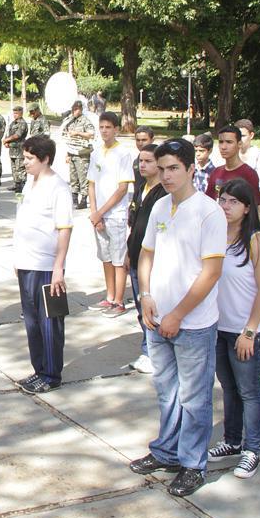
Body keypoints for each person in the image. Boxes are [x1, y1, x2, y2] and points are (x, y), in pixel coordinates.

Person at [131, 138, 226, 498]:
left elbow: (211, 272)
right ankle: (167, 451)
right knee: (166, 392)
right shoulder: (159, 207)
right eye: (163, 168)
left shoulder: (208, 212)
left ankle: (192, 465)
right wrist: (147, 297)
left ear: (190, 169)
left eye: (174, 168)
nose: (167, 175)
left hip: (193, 324)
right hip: (157, 318)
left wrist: (179, 314)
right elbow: (146, 256)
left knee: (195, 397)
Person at [207, 179, 260, 479]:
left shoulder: (257, 240)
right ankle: (232, 441)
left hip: (246, 331)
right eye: (223, 200)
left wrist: (249, 331)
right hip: (218, 327)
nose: (226, 206)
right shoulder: (216, 235)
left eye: (234, 201)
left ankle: (251, 449)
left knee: (249, 390)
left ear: (248, 208)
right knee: (229, 388)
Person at [13, 135, 73, 394]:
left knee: (49, 322)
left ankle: (51, 374)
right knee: (32, 322)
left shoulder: (58, 187)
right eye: (24, 158)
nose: (24, 163)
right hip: (26, 262)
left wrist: (58, 267)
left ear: (45, 159)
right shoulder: (30, 183)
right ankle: (38, 369)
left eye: (29, 158)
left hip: (47, 266)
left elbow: (64, 230)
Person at [86, 112, 134, 318]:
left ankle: (119, 300)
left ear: (116, 129)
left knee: (118, 258)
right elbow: (91, 184)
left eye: (108, 127)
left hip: (115, 214)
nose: (105, 130)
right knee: (105, 257)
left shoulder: (123, 153)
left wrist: (102, 212)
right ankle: (110, 295)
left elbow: (122, 188)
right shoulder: (96, 153)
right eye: (102, 127)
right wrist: (94, 213)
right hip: (99, 216)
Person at [126, 143, 166, 374]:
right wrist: (128, 252)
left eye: (149, 161)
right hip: (135, 255)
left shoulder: (164, 193)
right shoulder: (142, 186)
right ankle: (148, 348)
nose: (143, 165)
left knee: (151, 307)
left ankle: (153, 353)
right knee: (141, 308)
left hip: (150, 261)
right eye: (141, 161)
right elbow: (135, 223)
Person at [205, 125, 260, 202]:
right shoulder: (216, 172)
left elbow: (254, 207)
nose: (223, 147)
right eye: (221, 142)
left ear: (239, 144)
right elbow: (208, 201)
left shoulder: (249, 174)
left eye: (229, 142)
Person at [60, 100, 95, 209]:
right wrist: (67, 154)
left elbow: (91, 134)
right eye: (73, 109)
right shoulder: (71, 121)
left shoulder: (85, 121)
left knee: (83, 178)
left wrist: (78, 133)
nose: (74, 111)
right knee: (73, 177)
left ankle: (84, 200)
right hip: (72, 152)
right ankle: (74, 198)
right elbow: (67, 138)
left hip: (82, 154)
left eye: (76, 109)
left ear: (80, 109)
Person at [236, 119, 260, 210]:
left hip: (252, 206)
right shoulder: (232, 155)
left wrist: (259, 212)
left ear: (251, 135)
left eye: (243, 136)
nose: (240, 139)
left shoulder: (259, 155)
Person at [4, 105, 29, 191]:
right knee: (14, 168)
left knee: (20, 169)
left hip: (19, 150)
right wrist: (7, 142)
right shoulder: (13, 123)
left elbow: (17, 135)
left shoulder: (22, 123)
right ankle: (17, 185)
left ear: (21, 113)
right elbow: (9, 134)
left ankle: (23, 186)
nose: (15, 115)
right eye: (14, 113)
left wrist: (6, 140)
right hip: (12, 150)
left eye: (16, 113)